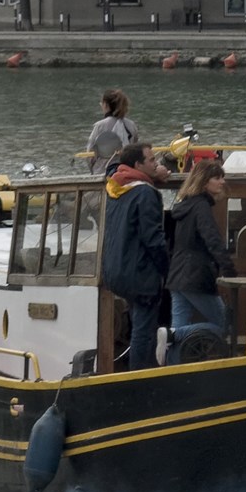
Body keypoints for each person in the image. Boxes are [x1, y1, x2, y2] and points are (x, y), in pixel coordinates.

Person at [98, 143, 171, 370]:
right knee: (144, 330)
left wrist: (151, 175)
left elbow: (112, 168)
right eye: (151, 160)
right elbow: (153, 238)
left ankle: (134, 371)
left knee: (137, 322)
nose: (156, 163)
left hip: (117, 271)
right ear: (138, 165)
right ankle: (138, 379)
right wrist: (168, 270)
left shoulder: (116, 184)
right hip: (140, 273)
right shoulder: (145, 193)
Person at [163, 157, 234, 355]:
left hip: (177, 275)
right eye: (217, 178)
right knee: (224, 325)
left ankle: (172, 369)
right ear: (204, 181)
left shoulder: (185, 206)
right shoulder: (201, 206)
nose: (222, 182)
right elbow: (212, 239)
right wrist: (228, 268)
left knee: (180, 326)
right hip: (196, 275)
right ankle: (171, 335)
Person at [85, 89, 144, 175]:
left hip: (103, 172)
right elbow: (135, 149)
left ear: (105, 105)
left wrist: (92, 170)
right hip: (127, 171)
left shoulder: (100, 126)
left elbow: (90, 154)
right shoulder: (131, 125)